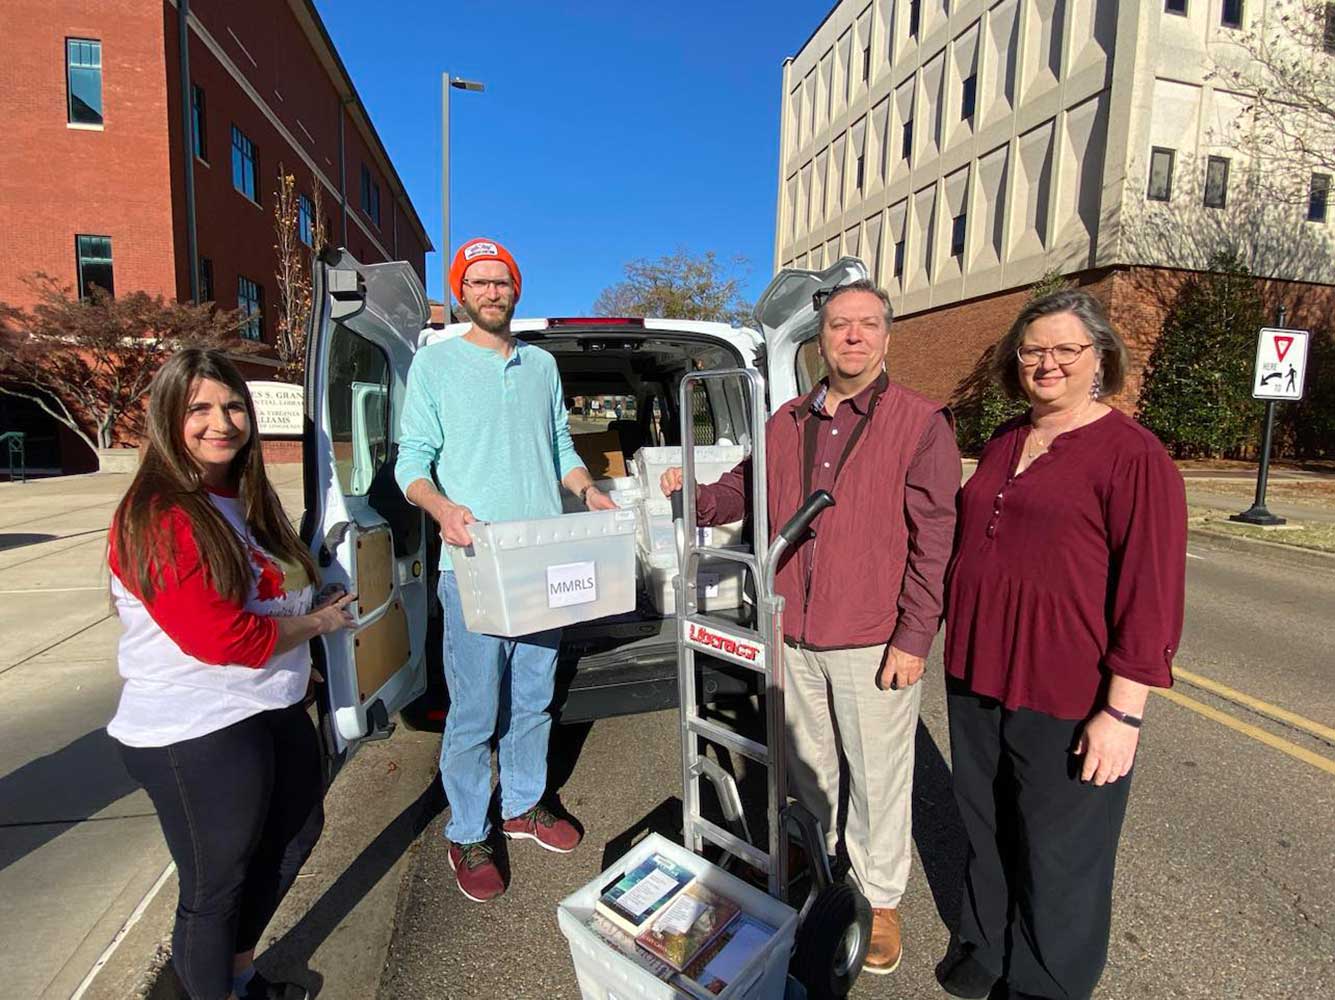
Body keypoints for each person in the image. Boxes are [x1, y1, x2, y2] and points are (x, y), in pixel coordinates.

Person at [661, 279, 960, 975]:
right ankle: (819, 854)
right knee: (809, 763)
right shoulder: (786, 419)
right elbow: (746, 484)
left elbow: (936, 539)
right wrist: (698, 499)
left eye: (865, 324)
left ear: (886, 336)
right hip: (792, 625)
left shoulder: (920, 423)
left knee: (879, 774)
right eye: (837, 326)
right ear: (819, 339)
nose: (851, 336)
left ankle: (879, 898)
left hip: (871, 634)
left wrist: (914, 636)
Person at [935, 290, 1186, 1000]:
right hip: (977, 673)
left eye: (1064, 349)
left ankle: (1046, 981)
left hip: (1067, 691)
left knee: (1059, 851)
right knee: (984, 825)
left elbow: (1151, 593)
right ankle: (986, 943)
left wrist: (1122, 713)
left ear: (1098, 358)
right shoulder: (1007, 440)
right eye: (1032, 350)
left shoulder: (1131, 456)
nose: (1046, 363)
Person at [107, 349, 358, 1000]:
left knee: (298, 832)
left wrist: (308, 639)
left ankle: (239, 975)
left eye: (232, 405)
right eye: (199, 408)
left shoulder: (240, 497)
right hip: (195, 727)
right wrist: (315, 631)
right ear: (167, 416)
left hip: (268, 705)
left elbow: (272, 596)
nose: (221, 422)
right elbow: (221, 637)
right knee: (215, 886)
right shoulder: (159, 514)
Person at [395, 237, 618, 903]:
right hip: (474, 562)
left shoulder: (541, 366)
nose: (492, 292)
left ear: (516, 289)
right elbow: (411, 461)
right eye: (479, 282)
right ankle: (467, 829)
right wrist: (440, 507)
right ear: (461, 293)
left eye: (502, 282)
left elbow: (558, 446)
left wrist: (587, 490)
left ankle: (522, 804)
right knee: (473, 709)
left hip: (539, 557)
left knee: (532, 697)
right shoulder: (436, 367)